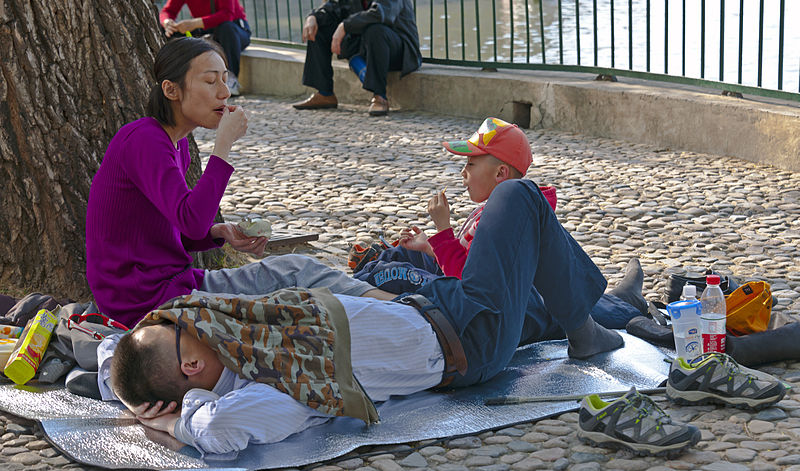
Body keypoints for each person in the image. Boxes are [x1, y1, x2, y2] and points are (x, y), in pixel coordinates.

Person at [110, 177, 631, 456]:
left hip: (437, 311)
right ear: (193, 370)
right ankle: (585, 329)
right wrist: (179, 416)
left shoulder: (242, 347)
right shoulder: (270, 386)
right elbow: (223, 429)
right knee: (517, 197)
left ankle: (617, 310)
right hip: (469, 338)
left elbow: (121, 355)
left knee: (533, 299)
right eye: (182, 330)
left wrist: (144, 396)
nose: (194, 319)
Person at [85, 37, 393, 329]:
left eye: (224, 79)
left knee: (298, 271)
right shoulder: (144, 139)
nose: (224, 92)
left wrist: (218, 232)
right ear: (171, 90)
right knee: (299, 286)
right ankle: (410, 311)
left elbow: (172, 226)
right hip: (145, 301)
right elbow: (190, 221)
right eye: (210, 81)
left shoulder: (174, 145)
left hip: (174, 286)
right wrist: (224, 147)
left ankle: (403, 307)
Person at [352, 117, 646, 330]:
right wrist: (429, 247)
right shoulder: (489, 211)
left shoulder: (502, 221)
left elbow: (468, 277)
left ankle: (627, 306)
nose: (463, 173)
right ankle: (623, 299)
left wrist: (443, 231)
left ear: (500, 173)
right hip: (521, 297)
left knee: (574, 311)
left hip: (517, 306)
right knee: (402, 260)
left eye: (471, 164)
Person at [291, 0, 422, 116]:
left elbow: (381, 14)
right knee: (318, 26)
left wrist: (344, 26)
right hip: (367, 45)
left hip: (399, 50)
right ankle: (325, 94)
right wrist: (313, 17)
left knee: (376, 29)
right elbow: (334, 7)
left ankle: (380, 97)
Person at [159, 0, 251, 96]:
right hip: (204, 27)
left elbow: (227, 14)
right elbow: (168, 11)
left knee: (226, 28)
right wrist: (167, 22)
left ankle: (231, 79)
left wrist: (194, 23)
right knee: (168, 31)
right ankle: (176, 77)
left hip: (235, 30)